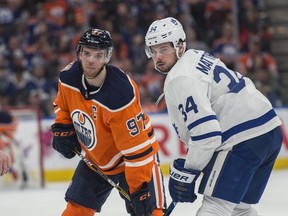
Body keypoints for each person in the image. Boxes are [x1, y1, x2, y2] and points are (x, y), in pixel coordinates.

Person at [145, 17, 283, 216]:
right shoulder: (196, 56)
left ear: (180, 46)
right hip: (269, 132)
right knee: (239, 208)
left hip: (242, 138)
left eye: (164, 49)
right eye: (153, 50)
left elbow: (207, 134)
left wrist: (189, 171)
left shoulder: (180, 77)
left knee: (215, 208)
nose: (158, 57)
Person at [51, 28, 166, 216]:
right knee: (75, 212)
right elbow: (62, 107)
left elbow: (136, 149)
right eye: (86, 53)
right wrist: (63, 127)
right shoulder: (68, 77)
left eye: (98, 55)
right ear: (79, 53)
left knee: (151, 213)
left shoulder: (120, 94)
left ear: (107, 57)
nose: (91, 60)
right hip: (95, 160)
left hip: (133, 161)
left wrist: (140, 189)